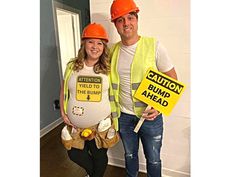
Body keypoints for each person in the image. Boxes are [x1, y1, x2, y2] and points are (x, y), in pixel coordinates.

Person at [109, 0, 178, 177]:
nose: (126, 23)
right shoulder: (112, 51)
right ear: (115, 24)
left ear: (137, 20)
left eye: (130, 17)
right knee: (129, 155)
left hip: (150, 117)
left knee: (153, 159)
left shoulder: (154, 46)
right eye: (120, 20)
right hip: (123, 117)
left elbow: (172, 78)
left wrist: (159, 107)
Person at [59, 23, 119, 177]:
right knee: (74, 154)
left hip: (101, 124)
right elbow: (63, 89)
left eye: (99, 43)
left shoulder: (108, 67)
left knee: (99, 156)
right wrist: (63, 113)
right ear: (83, 44)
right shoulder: (72, 66)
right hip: (75, 124)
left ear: (104, 47)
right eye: (90, 41)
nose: (95, 47)